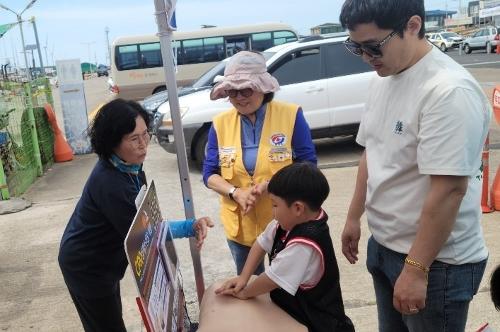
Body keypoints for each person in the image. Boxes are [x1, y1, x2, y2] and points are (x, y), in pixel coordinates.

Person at [339, 1, 492, 331]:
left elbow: (449, 189)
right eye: (355, 46)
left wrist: (416, 269)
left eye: (373, 46)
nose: (366, 57)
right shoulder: (382, 78)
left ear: (412, 25)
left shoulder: (448, 90)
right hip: (385, 246)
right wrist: (354, 216)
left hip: (434, 264)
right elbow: (373, 152)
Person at [58, 99, 214, 332]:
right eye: (134, 139)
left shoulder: (127, 165)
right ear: (112, 143)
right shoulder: (110, 184)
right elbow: (147, 234)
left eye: (145, 135)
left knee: (109, 317)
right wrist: (189, 226)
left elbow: (146, 220)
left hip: (107, 261)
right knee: (106, 326)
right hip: (87, 266)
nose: (143, 145)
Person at [203, 51, 317, 275]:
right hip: (240, 225)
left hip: (283, 221)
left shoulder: (291, 115)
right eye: (232, 91)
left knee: (286, 285)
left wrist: (272, 185)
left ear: (263, 88)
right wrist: (236, 192)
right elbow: (209, 173)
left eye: (246, 89)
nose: (239, 97)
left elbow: (309, 164)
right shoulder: (220, 124)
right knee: (249, 287)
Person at [215, 162, 354, 332]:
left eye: (274, 205)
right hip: (293, 311)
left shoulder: (304, 245)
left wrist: (245, 293)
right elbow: (261, 243)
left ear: (297, 208)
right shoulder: (287, 223)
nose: (273, 212)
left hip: (317, 322)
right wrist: (244, 277)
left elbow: (271, 279)